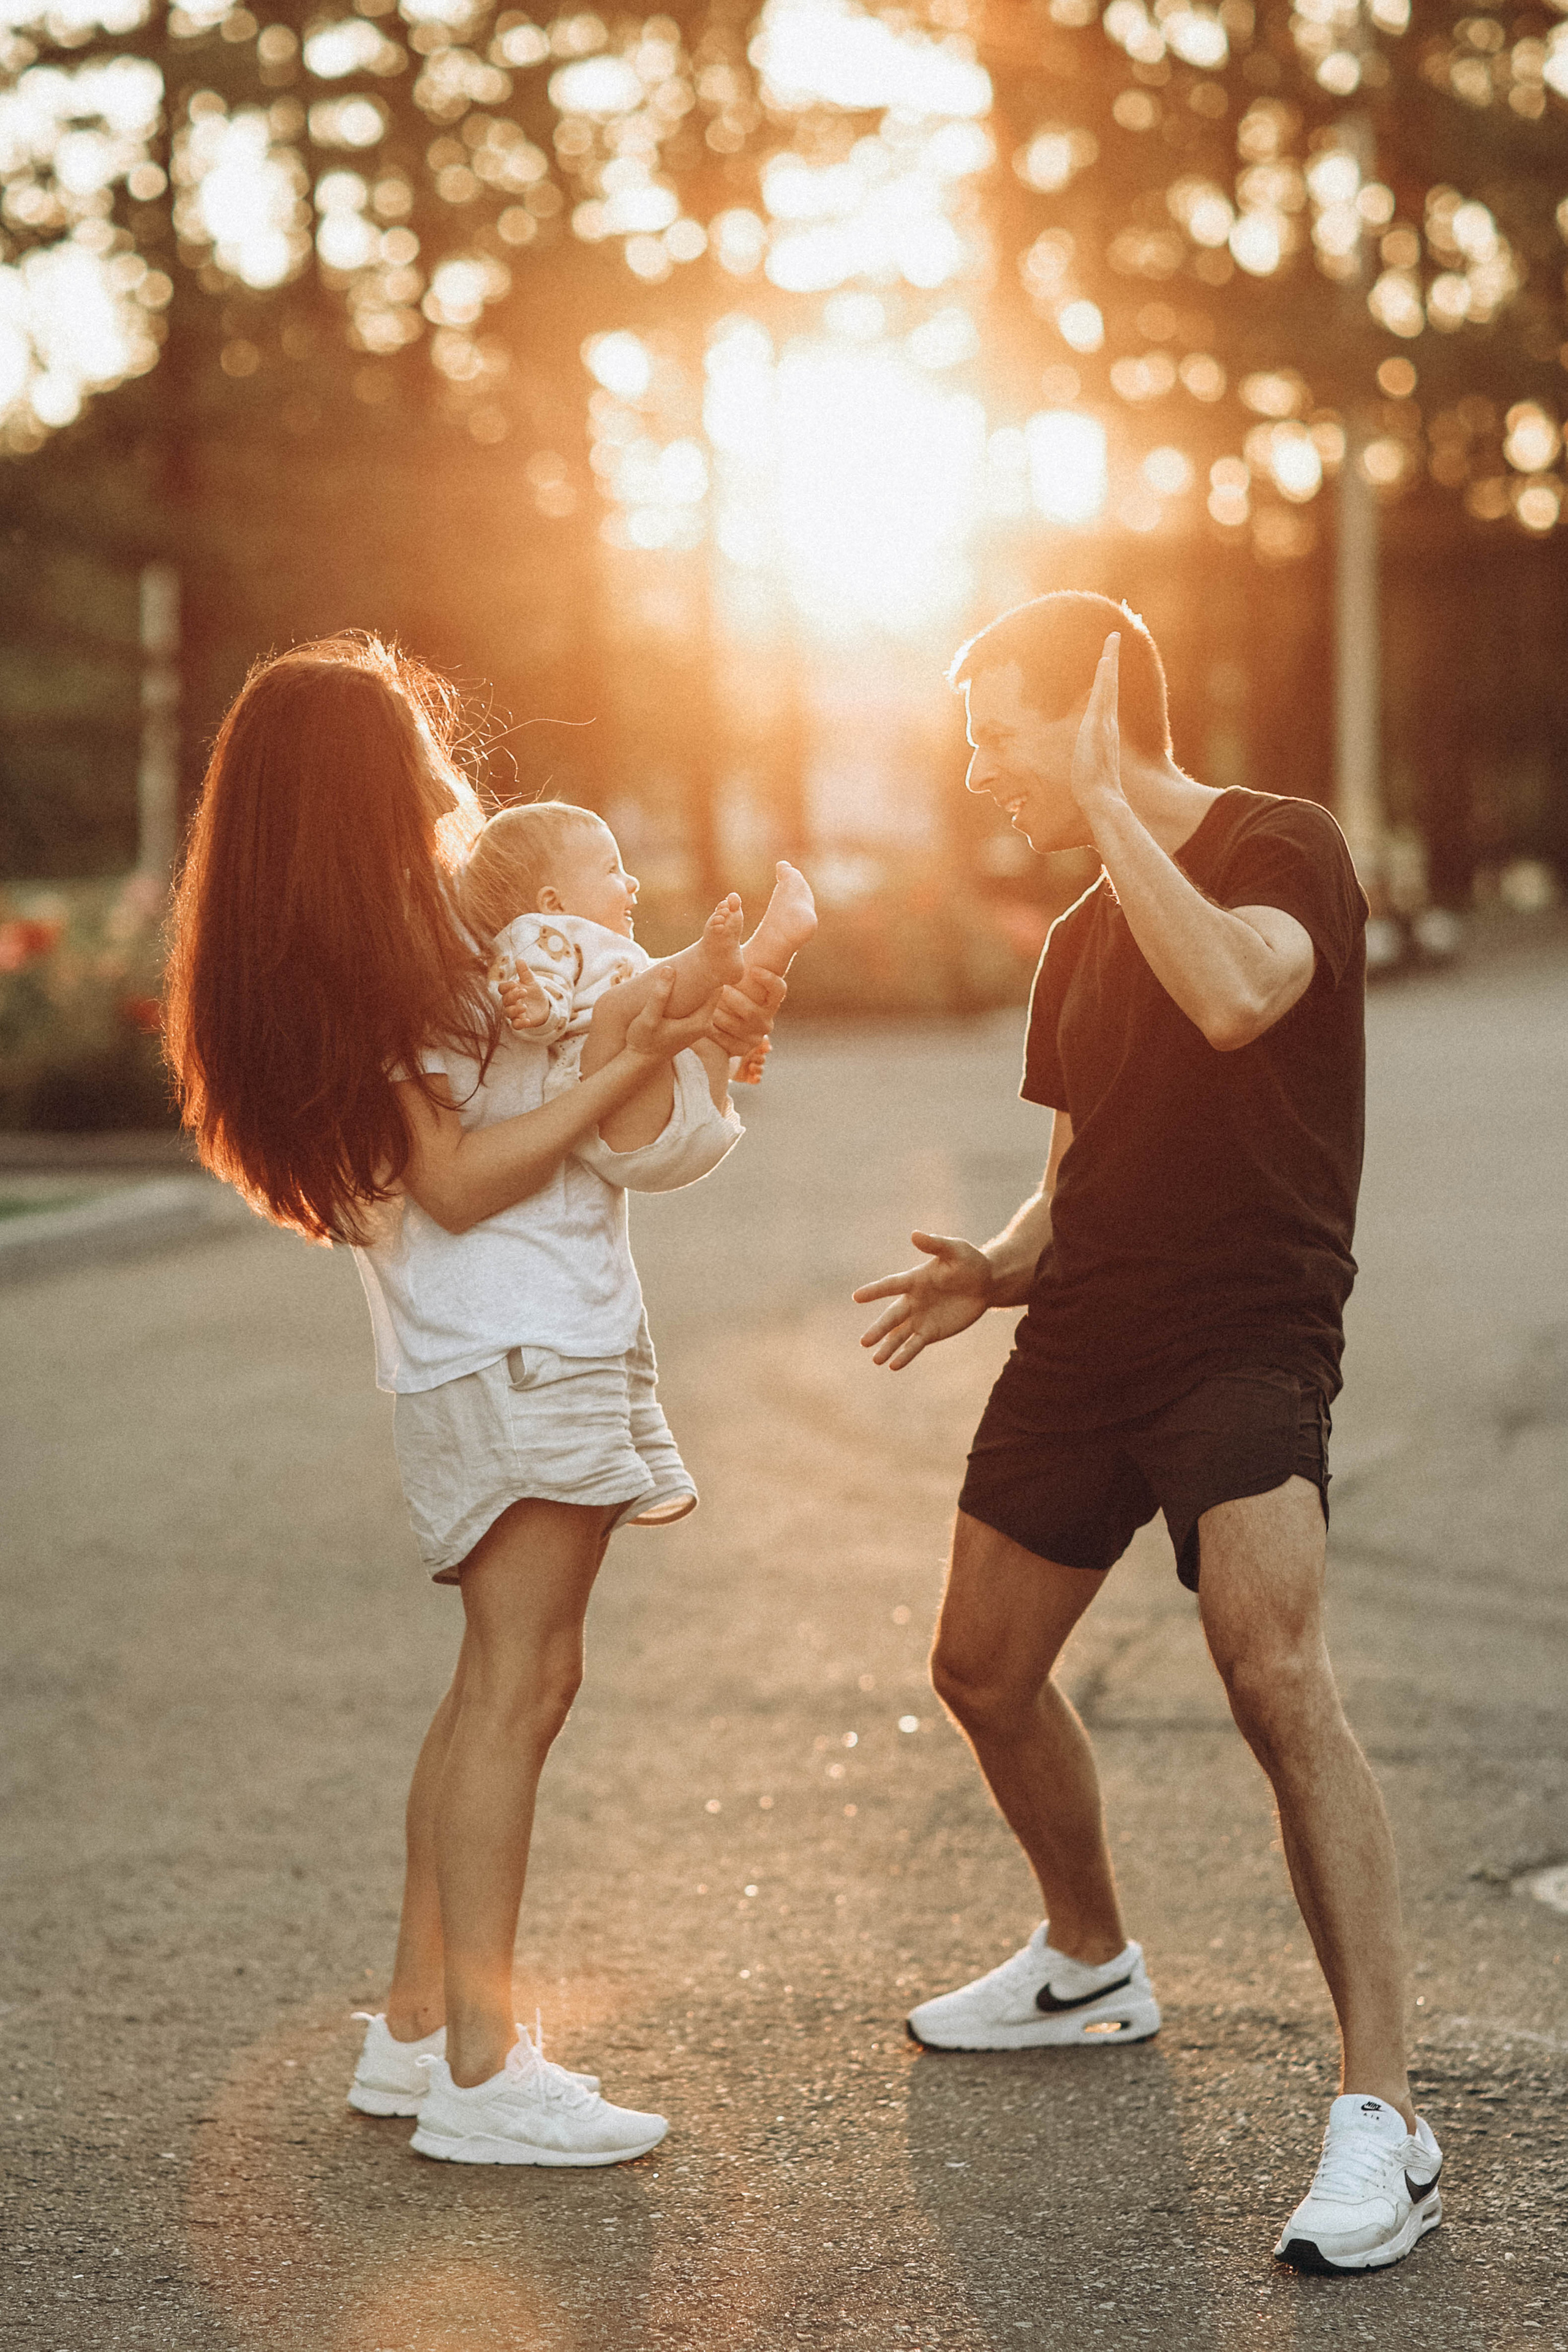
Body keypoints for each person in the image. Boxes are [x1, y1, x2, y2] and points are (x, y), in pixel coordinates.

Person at [853, 592, 1443, 2275]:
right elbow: (1075, 1175)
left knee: (1271, 1672)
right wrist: (996, 1269)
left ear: (1097, 716)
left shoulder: (1281, 847)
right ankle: (1089, 1959)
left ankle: (1383, 2119)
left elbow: (1249, 996)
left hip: (1243, 1331)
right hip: (1087, 1327)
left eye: (999, 736)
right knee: (977, 1669)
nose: (980, 775)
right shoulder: (1073, 942)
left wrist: (1116, 808)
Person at [165, 634, 782, 2169]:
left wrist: (659, 1032)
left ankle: (416, 2030)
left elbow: (549, 1098)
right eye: (419, 770)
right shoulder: (378, 969)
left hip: (482, 1355)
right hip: (517, 1350)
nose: (449, 792)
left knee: (488, 1682)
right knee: (524, 1683)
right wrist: (611, 1071)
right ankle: (486, 2071)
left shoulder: (357, 959)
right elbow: (461, 1180)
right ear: (357, 799)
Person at [458, 800, 816, 1130]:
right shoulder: (537, 935)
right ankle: (753, 950)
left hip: (655, 1099)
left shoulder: (603, 955)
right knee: (656, 989)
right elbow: (536, 987)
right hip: (598, 1093)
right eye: (612, 869)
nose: (632, 882)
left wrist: (737, 1060)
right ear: (553, 902)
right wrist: (542, 1007)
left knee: (682, 995)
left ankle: (759, 954)